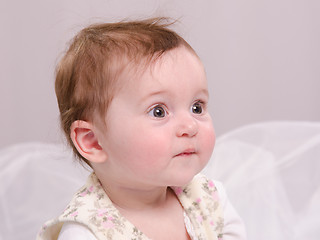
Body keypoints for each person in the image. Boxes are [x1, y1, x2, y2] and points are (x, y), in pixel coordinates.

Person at [37, 17, 247, 240]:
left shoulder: (209, 200)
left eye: (197, 107)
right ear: (93, 141)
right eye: (158, 111)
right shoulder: (87, 232)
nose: (190, 125)